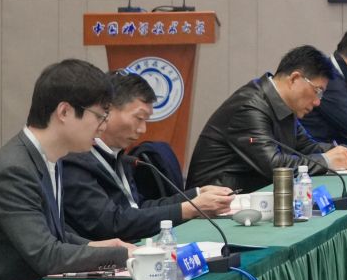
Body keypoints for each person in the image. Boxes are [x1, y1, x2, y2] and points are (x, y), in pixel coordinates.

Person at [0, 60, 134, 280]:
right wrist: (122, 256)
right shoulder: (13, 170)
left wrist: (94, 245)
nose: (103, 127)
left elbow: (49, 232)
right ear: (64, 112)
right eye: (99, 116)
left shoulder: (50, 158)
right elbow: (47, 256)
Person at [62, 72, 235, 243]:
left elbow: (138, 208)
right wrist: (188, 209)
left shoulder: (117, 155)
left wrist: (196, 195)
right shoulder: (74, 160)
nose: (142, 129)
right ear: (107, 110)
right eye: (139, 118)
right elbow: (111, 224)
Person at [186, 46, 347, 192]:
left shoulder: (284, 106)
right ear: (295, 79)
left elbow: (307, 147)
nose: (318, 102)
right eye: (317, 91)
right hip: (215, 203)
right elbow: (274, 166)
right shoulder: (250, 107)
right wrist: (326, 161)